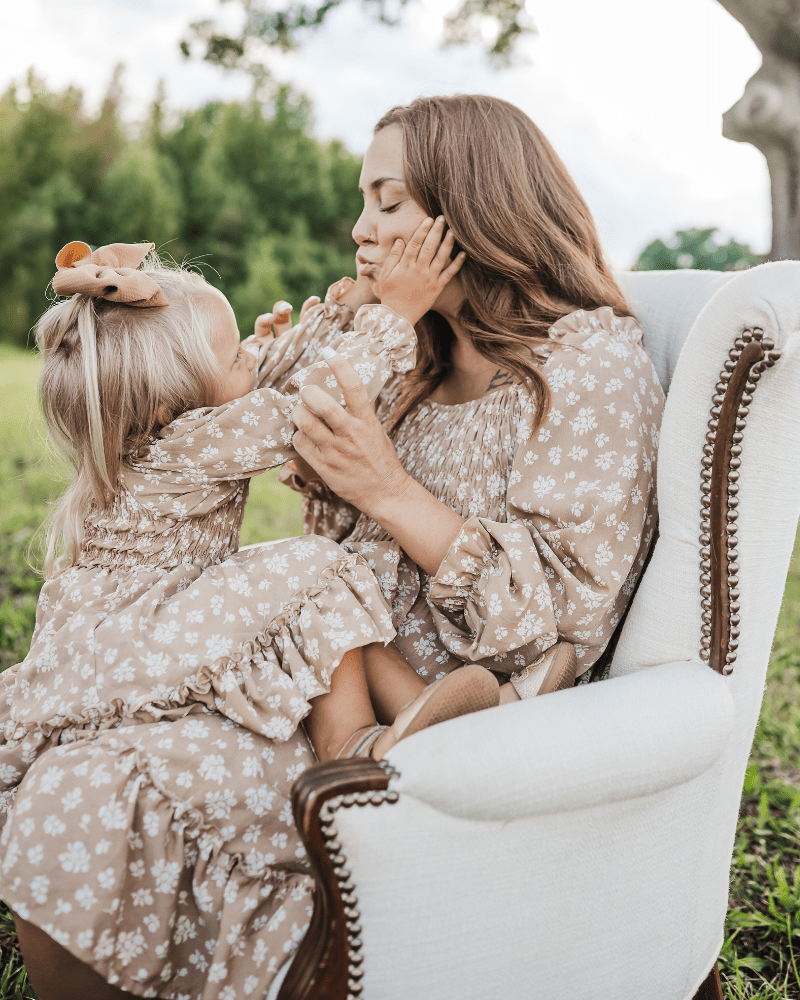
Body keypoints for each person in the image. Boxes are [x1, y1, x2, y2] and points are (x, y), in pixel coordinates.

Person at [0, 232, 492, 1000]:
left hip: (126, 624)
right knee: (315, 568)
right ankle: (353, 741)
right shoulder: (195, 440)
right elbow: (312, 407)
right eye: (234, 359)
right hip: (155, 620)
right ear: (176, 403)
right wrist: (395, 312)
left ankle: (434, 706)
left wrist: (334, 315)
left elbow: (274, 378)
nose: (251, 363)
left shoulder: (156, 430)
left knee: (300, 580)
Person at [281, 93, 665, 723]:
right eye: (363, 200)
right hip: (323, 680)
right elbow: (339, 555)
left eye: (390, 200)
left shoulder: (587, 368)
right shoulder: (412, 367)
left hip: (452, 728)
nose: (360, 228)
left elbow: (570, 628)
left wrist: (388, 490)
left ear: (476, 210)